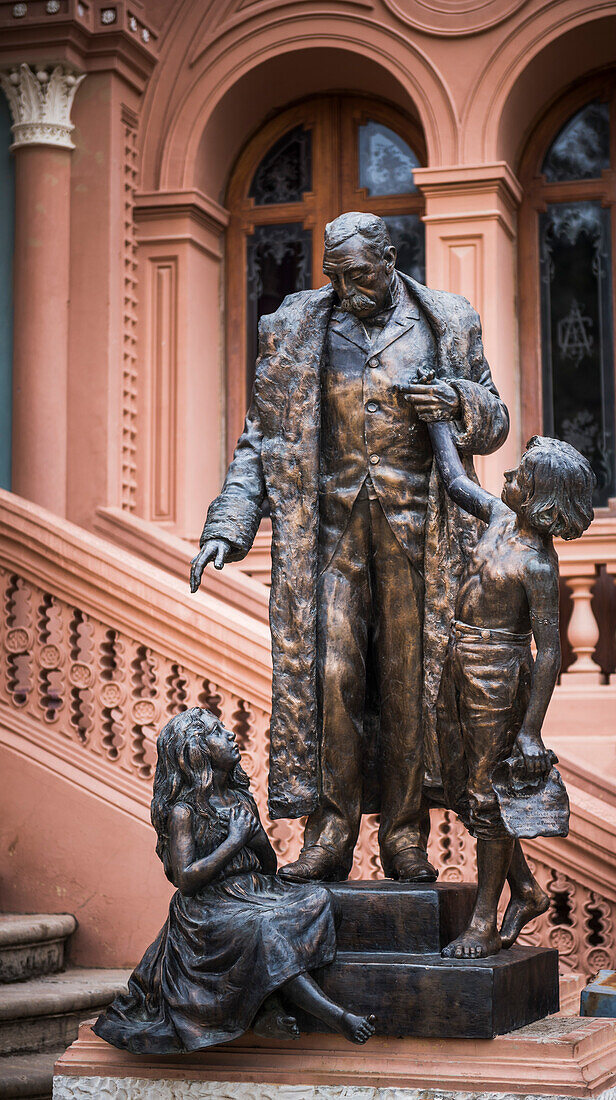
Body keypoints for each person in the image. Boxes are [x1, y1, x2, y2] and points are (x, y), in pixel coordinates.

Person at [190, 212, 509, 883]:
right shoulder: (295, 328)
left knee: (405, 685)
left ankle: (403, 838)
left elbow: (494, 421)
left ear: (390, 259)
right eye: (335, 273)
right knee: (332, 681)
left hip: (418, 535)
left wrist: (456, 400)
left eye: (360, 272)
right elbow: (262, 441)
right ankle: (329, 833)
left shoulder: (448, 319)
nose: (348, 286)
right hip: (328, 539)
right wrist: (227, 526)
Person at [92, 708, 376, 1054]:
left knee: (319, 899)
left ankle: (268, 1005)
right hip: (208, 907)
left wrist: (253, 837)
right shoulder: (185, 811)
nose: (229, 735)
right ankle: (336, 1015)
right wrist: (233, 840)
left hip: (253, 890)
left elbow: (267, 865)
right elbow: (186, 880)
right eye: (217, 732)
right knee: (264, 929)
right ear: (197, 751)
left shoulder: (239, 798)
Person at [431, 434, 595, 958]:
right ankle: (525, 890)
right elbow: (457, 482)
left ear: (540, 496)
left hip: (498, 680)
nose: (507, 480)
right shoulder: (501, 518)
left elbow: (549, 652)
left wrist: (530, 730)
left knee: (488, 801)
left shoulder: (539, 568)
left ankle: (483, 922)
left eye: (519, 477)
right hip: (460, 663)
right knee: (461, 787)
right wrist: (438, 421)